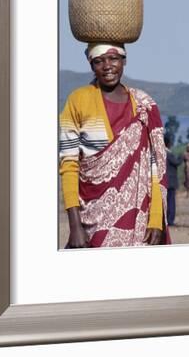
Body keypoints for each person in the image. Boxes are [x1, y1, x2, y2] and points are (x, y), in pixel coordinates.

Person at [59, 43, 169, 248]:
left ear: (124, 61)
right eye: (99, 61)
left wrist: (155, 219)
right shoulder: (77, 100)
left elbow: (156, 166)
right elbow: (69, 164)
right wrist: (75, 225)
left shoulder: (144, 105)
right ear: (91, 65)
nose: (107, 66)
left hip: (139, 217)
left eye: (114, 59)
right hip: (91, 217)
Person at [164, 134, 182, 226]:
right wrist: (181, 157)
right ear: (169, 144)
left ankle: (165, 220)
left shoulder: (161, 153)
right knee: (171, 201)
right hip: (170, 182)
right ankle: (170, 220)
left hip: (164, 182)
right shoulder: (169, 154)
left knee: (165, 201)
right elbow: (177, 162)